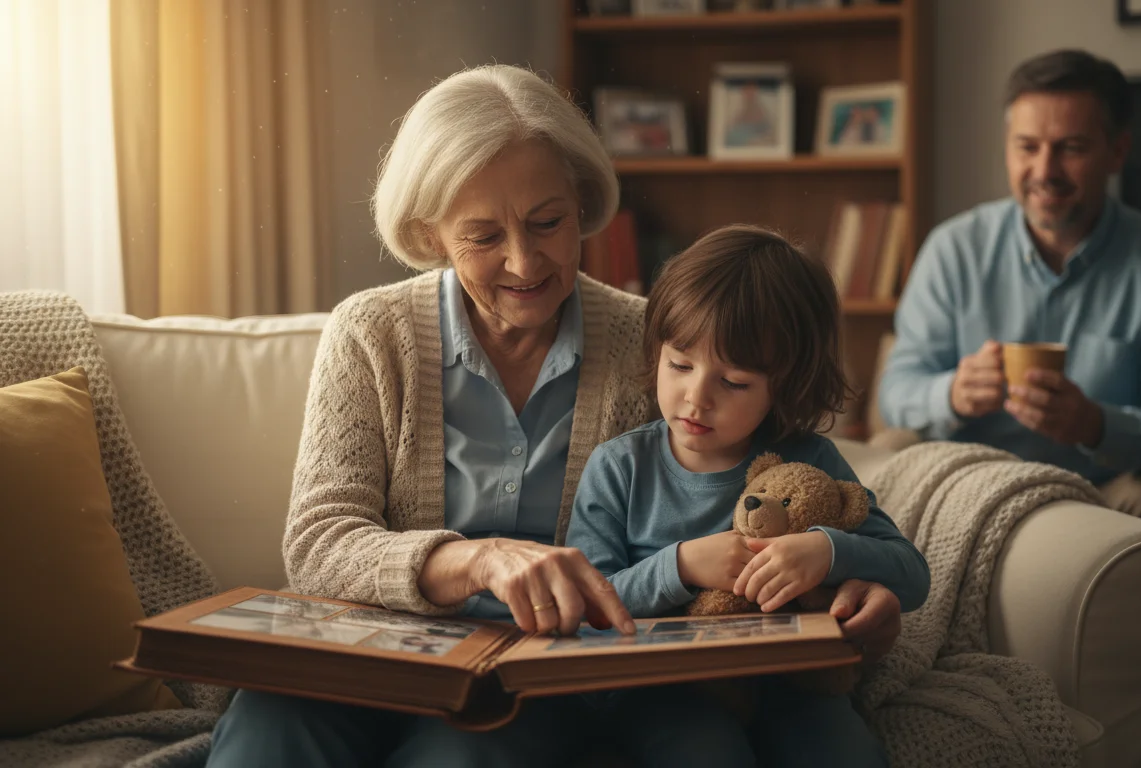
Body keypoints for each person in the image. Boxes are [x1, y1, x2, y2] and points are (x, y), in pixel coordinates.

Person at [207, 65, 906, 767]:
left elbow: (742, 501)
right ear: (431, 235)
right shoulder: (369, 333)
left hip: (538, 677)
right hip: (373, 652)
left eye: (548, 222)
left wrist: (847, 576)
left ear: (582, 203)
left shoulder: (656, 347)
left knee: (470, 756)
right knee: (268, 729)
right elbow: (319, 543)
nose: (523, 260)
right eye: (483, 236)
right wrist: (475, 560)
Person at [566, 225, 930, 768]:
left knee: (847, 754)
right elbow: (585, 608)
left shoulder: (808, 460)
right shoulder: (620, 467)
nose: (696, 397)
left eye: (734, 382)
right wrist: (682, 565)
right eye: (680, 364)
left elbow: (911, 574)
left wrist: (827, 551)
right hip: (665, 690)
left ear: (785, 386)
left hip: (790, 684)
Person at [879, 49, 1141, 528]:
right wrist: (952, 394)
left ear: (1117, 151)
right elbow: (895, 393)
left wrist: (1096, 425)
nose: (1045, 171)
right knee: (889, 449)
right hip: (967, 486)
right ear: (1007, 146)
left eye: (1071, 147)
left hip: (1099, 494)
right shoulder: (953, 249)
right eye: (1028, 146)